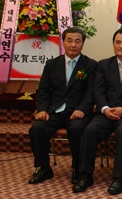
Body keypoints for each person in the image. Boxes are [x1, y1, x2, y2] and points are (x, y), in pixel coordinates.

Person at [73, 29, 122, 195]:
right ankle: (85, 175)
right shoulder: (103, 65)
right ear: (113, 44)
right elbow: (98, 90)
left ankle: (119, 178)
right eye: (118, 42)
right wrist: (105, 109)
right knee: (90, 130)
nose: (121, 46)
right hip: (106, 112)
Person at [28, 27, 97, 185]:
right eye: (69, 40)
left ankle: (77, 169)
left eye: (77, 41)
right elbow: (43, 90)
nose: (73, 44)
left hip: (77, 112)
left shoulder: (91, 65)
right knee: (37, 128)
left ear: (83, 43)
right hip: (55, 110)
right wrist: (42, 109)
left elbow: (91, 92)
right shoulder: (52, 64)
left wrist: (82, 109)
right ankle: (44, 168)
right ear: (63, 42)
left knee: (77, 129)